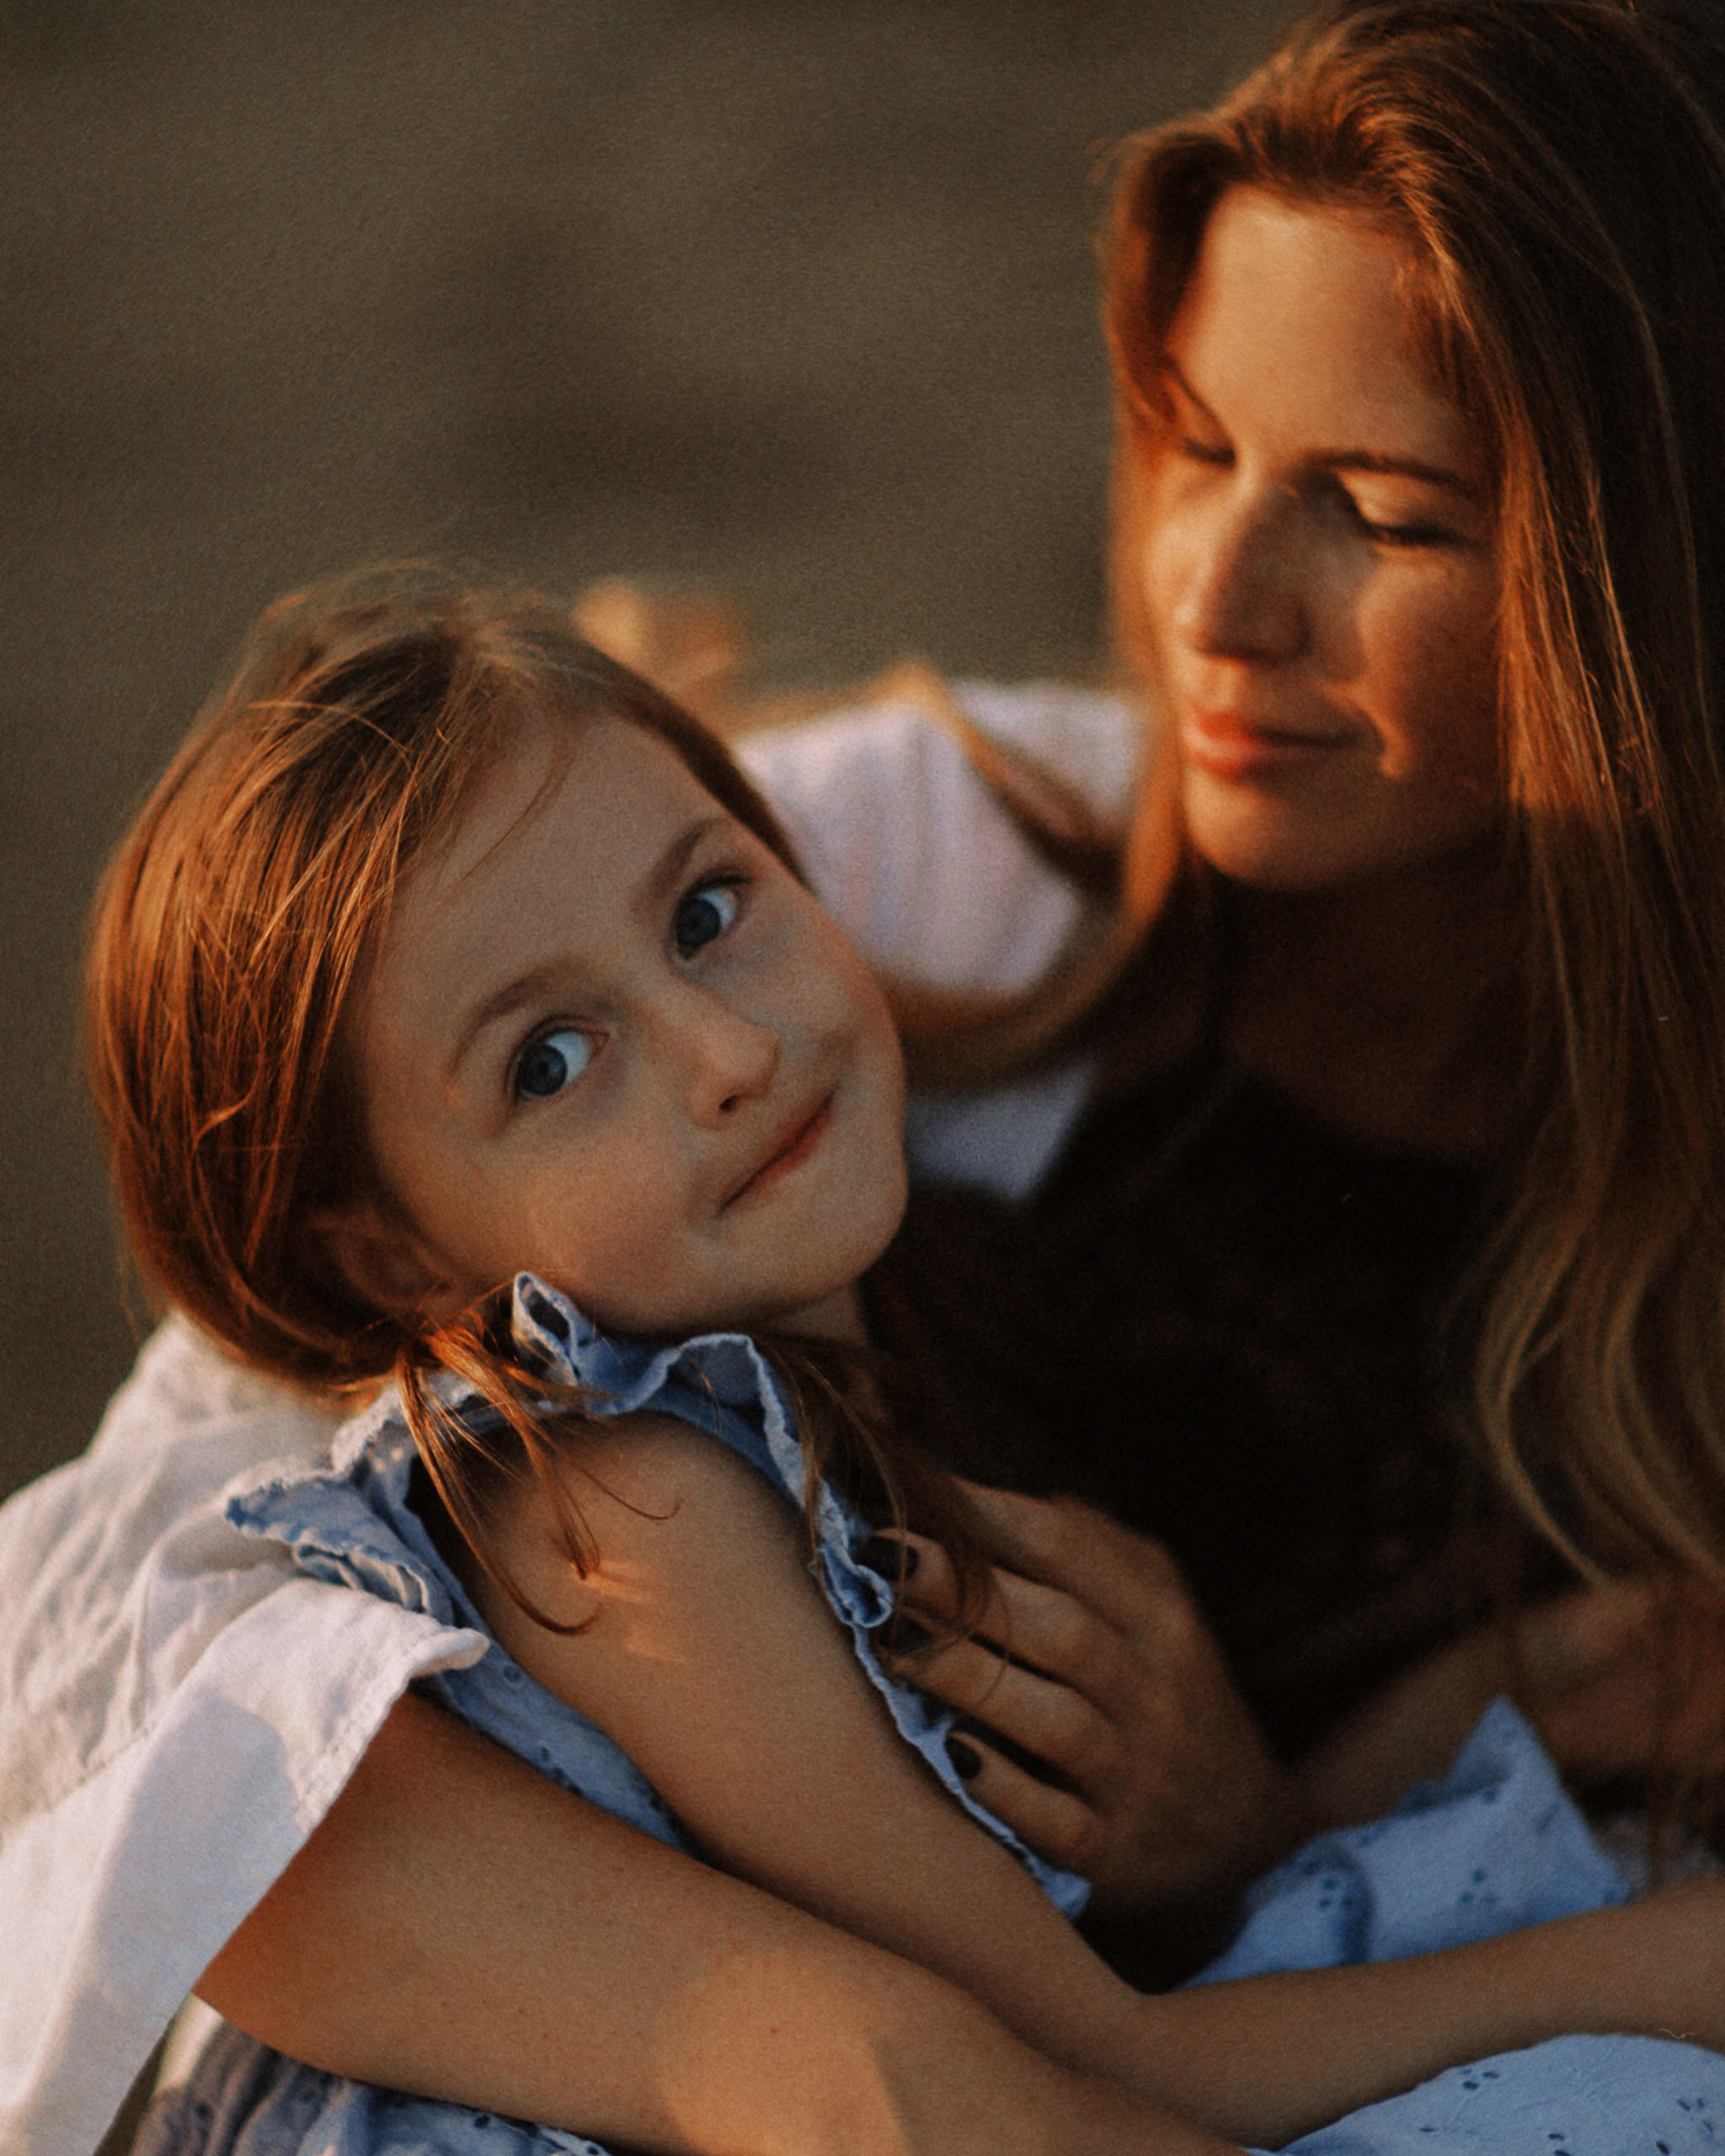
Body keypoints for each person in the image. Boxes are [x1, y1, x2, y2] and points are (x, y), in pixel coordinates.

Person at [6, 0, 1725, 2148]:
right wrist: (778, 2037)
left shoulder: (717, 951)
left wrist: (1362, 1764)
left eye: (1376, 510)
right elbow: (130, 1611)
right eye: (1190, 446)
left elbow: (1112, 1922)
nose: (1210, 598)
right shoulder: (903, 866)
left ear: (1649, 579)